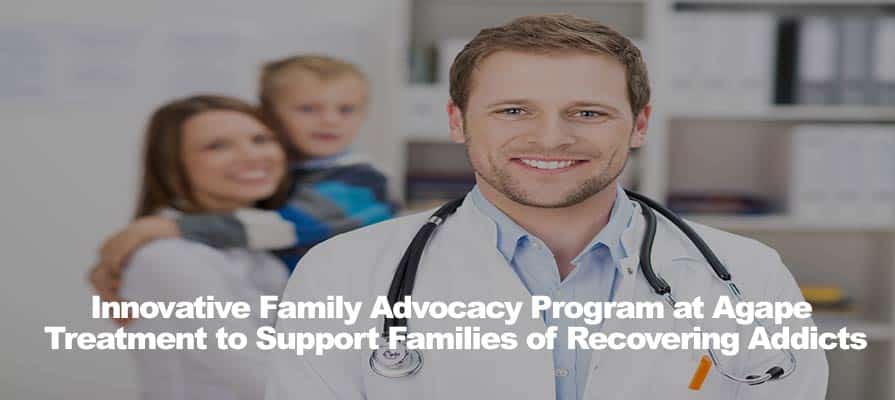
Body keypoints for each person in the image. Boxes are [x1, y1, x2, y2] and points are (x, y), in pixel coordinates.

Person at [264, 15, 828, 400]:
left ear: (639, 125)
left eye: (588, 113)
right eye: (513, 111)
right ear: (457, 121)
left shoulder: (749, 273)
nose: (552, 138)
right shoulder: (342, 272)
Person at [90, 55, 393, 305]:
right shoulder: (286, 178)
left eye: (347, 110)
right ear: (269, 115)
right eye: (307, 109)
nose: (330, 120)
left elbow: (282, 227)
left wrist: (164, 228)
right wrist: (120, 262)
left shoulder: (362, 181)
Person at [119, 95, 291, 400]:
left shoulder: (257, 241)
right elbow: (259, 378)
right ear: (171, 167)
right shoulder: (168, 257)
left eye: (261, 139)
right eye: (217, 146)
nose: (252, 156)